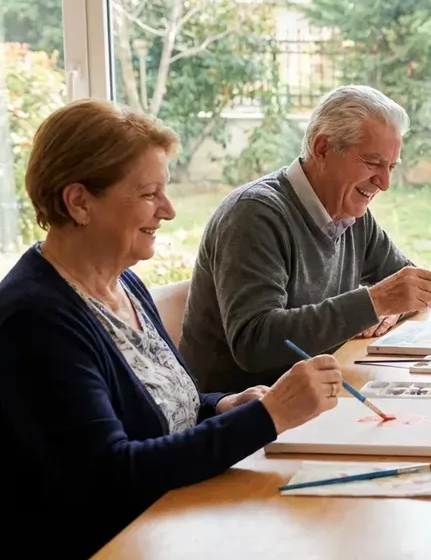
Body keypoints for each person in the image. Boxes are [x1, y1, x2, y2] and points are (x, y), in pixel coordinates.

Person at [0, 100, 342, 557]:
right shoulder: (35, 319)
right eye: (148, 194)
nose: (168, 210)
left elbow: (160, 409)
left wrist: (222, 406)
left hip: (173, 518)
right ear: (79, 201)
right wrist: (268, 416)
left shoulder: (124, 283)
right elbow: (113, 474)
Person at [180, 85, 431, 393]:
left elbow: (411, 283)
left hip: (316, 395)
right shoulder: (255, 214)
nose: (384, 183)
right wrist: (375, 302)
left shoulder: (350, 212)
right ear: (322, 148)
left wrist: (392, 307)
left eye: (390, 167)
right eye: (373, 163)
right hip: (243, 414)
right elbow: (255, 342)